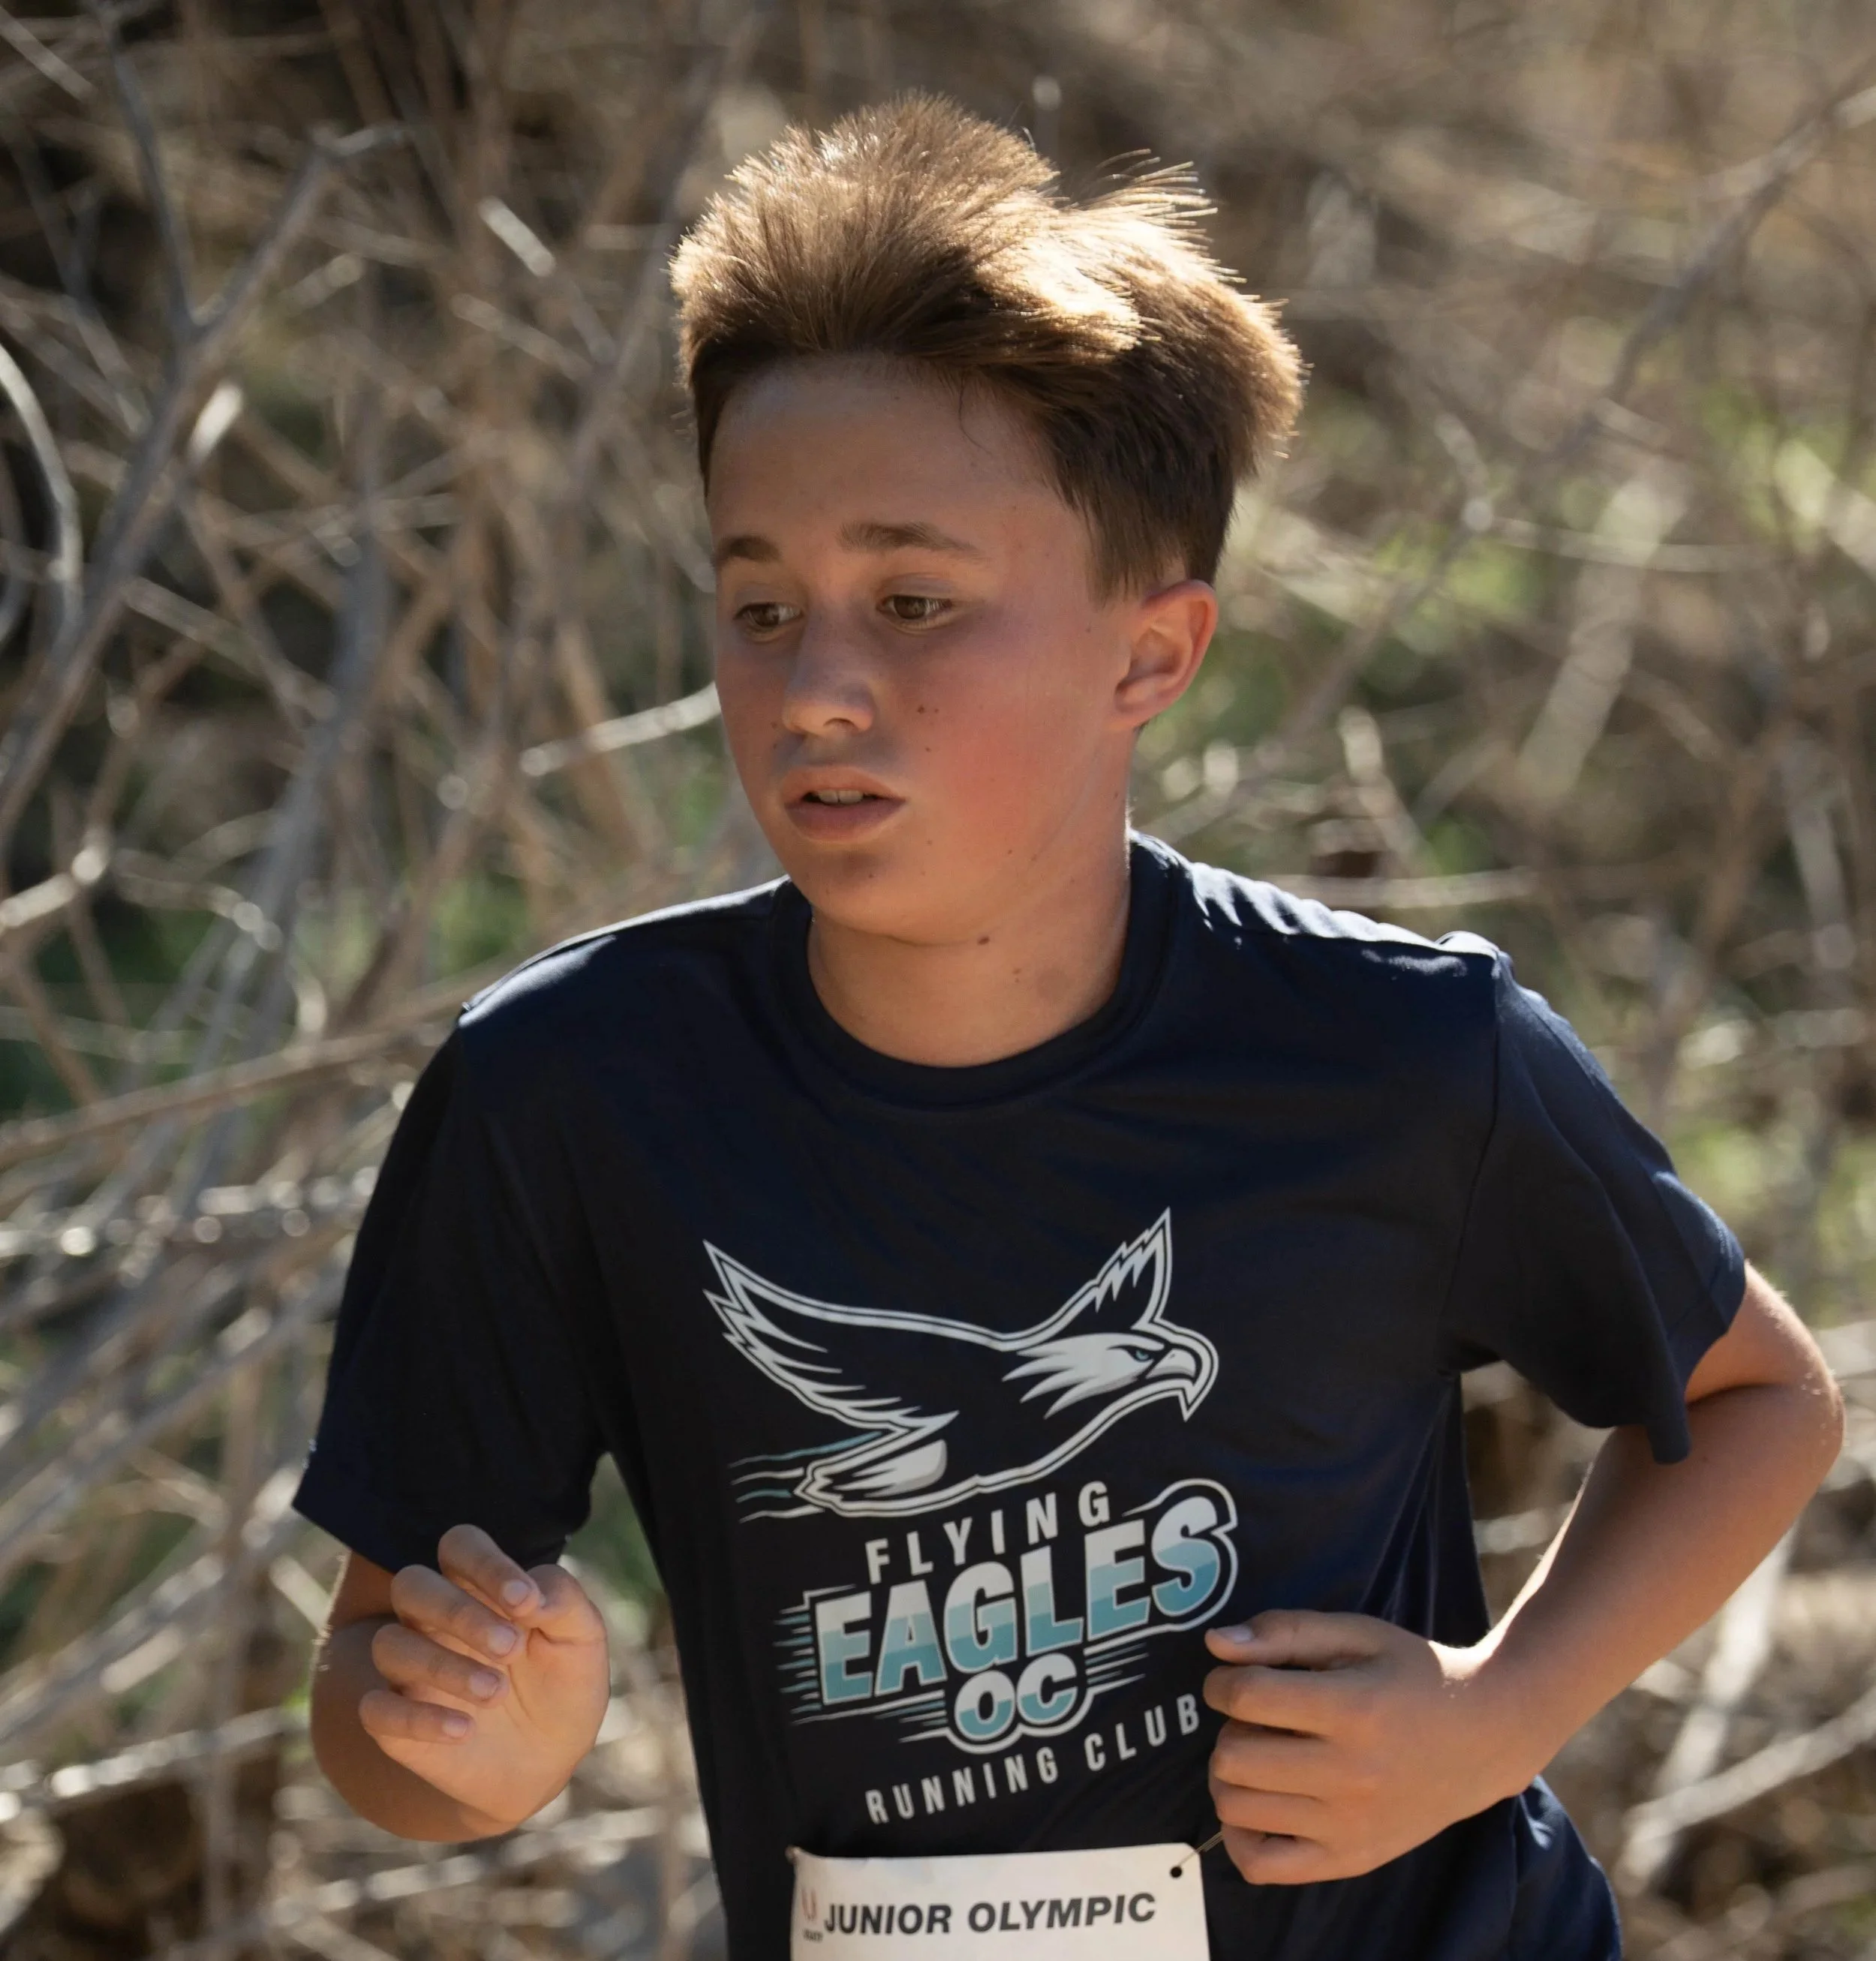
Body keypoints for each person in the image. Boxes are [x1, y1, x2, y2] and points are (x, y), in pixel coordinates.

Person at [293, 94, 1844, 1961]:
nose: (816, 689)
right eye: (759, 603)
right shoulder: (571, 1093)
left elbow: (1756, 1401)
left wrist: (1487, 1715)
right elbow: (376, 1707)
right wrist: (478, 1746)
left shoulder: (1393, 1055)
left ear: (1150, 654)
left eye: (915, 600)